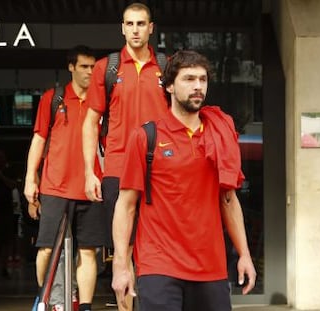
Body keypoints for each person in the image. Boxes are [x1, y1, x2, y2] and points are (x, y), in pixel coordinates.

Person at [111, 50, 257, 311]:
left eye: (202, 80)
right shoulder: (146, 137)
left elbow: (228, 199)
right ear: (169, 86)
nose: (198, 86)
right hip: (159, 265)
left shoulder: (220, 133)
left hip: (210, 267)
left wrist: (244, 254)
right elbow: (126, 205)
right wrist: (121, 265)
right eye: (189, 79)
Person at [82, 3, 168, 309]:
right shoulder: (108, 68)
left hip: (161, 169)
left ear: (151, 27)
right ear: (122, 28)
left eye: (141, 24)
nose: (135, 29)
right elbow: (91, 121)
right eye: (130, 24)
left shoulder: (166, 67)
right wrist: (91, 171)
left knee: (158, 247)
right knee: (123, 250)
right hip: (118, 168)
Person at [24, 45, 104, 311]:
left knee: (88, 251)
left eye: (93, 67)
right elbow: (39, 139)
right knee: (46, 249)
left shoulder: (101, 101)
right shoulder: (53, 98)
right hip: (55, 186)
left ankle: (85, 306)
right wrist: (30, 178)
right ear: (71, 67)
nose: (89, 72)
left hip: (90, 187)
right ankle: (46, 300)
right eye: (83, 66)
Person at [0, 149, 18, 279]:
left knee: (6, 241)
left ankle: (4, 267)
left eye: (1, 158)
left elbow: (13, 185)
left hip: (6, 210)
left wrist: (1, 176)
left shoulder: (9, 172)